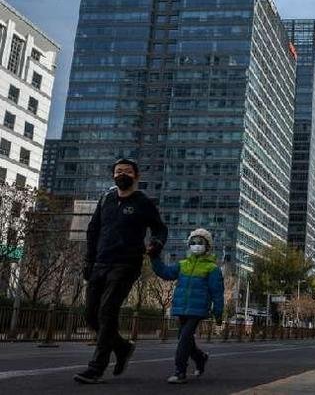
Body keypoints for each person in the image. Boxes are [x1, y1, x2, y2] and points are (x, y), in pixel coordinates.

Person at [74, 158, 168, 384]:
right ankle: (122, 347)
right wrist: (89, 260)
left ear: (136, 176)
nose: (121, 175)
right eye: (118, 172)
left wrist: (155, 244)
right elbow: (93, 230)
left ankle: (96, 368)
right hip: (100, 263)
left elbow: (159, 228)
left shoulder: (143, 202)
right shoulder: (106, 199)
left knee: (107, 311)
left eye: (126, 171)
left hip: (126, 264)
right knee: (91, 315)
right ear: (113, 176)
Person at [148, 228, 224, 384]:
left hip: (198, 309)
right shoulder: (182, 265)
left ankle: (180, 371)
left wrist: (218, 312)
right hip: (181, 307)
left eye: (200, 243)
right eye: (193, 242)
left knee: (184, 337)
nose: (196, 245)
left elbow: (217, 292)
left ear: (207, 246)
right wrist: (154, 257)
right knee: (185, 338)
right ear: (189, 245)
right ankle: (200, 358)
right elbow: (165, 273)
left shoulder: (212, 269)